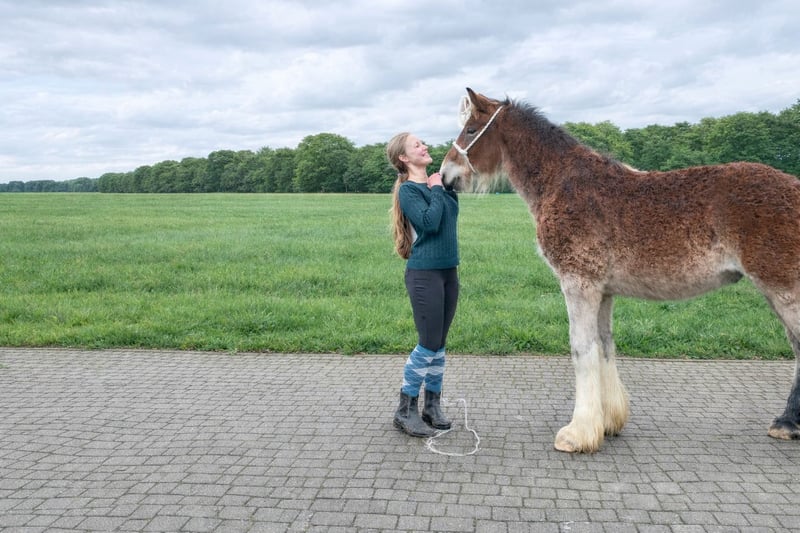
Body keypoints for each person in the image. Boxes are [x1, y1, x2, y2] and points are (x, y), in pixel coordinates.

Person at [386, 132, 460, 437]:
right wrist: (436, 188)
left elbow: (448, 219)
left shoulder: (437, 185)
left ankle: (432, 406)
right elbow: (430, 223)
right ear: (404, 158)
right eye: (417, 145)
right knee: (427, 343)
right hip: (424, 274)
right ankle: (405, 410)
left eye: (422, 143)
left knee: (439, 344)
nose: (424, 146)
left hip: (448, 272)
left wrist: (441, 186)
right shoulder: (409, 191)